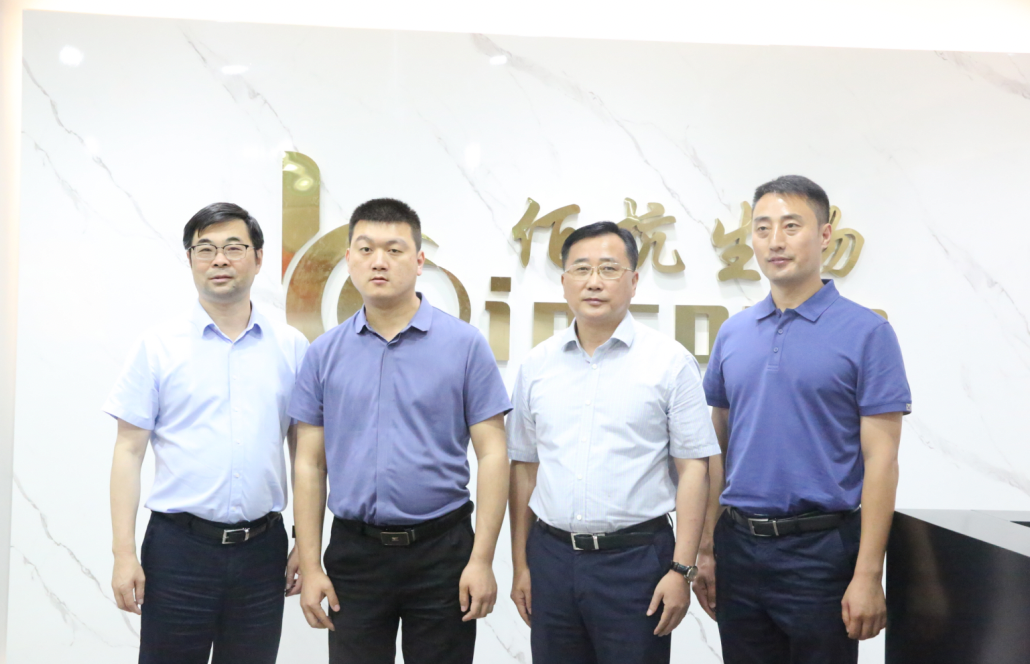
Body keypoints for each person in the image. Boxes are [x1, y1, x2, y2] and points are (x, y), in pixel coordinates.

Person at [694, 175, 912, 663]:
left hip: (822, 553)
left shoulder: (867, 333)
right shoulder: (733, 333)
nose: (775, 241)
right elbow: (718, 445)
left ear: (825, 234)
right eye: (763, 228)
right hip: (738, 548)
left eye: (791, 226)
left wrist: (867, 574)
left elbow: (882, 461)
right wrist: (705, 547)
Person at [290, 198, 512, 664]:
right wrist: (310, 565)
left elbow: (494, 454)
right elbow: (309, 463)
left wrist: (482, 559)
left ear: (420, 260)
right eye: (366, 249)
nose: (379, 261)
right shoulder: (324, 353)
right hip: (355, 554)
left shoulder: (464, 345)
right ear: (348, 258)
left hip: (442, 551)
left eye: (394, 249)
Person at [507, 221, 719, 664]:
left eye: (608, 269)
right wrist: (521, 565)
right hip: (551, 558)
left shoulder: (669, 362)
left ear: (634, 281)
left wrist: (682, 568)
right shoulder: (536, 365)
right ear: (564, 281)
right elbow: (524, 467)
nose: (594, 281)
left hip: (636, 561)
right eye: (581, 269)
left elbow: (694, 470)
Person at [106, 202, 309, 664]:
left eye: (234, 248)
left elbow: (304, 454)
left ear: (258, 258)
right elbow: (128, 452)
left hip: (263, 551)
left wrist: (306, 543)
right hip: (179, 550)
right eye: (206, 249)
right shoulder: (158, 346)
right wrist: (123, 554)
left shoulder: (291, 346)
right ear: (190, 259)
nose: (220, 260)